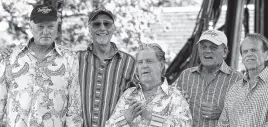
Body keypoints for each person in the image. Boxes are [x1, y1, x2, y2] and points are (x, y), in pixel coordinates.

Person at [0, 8, 136, 127]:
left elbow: (142, 97)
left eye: (107, 24)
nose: (102, 28)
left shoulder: (129, 63)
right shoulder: (76, 58)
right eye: (40, 26)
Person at [0, 5, 82, 127]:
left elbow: (74, 109)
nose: (45, 32)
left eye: (50, 26)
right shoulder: (11, 57)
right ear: (30, 27)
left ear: (57, 28)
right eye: (40, 26)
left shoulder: (70, 59)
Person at [105, 43, 192, 127]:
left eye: (149, 61)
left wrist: (150, 117)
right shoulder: (128, 94)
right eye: (140, 62)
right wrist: (126, 119)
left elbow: (185, 124)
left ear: (161, 65)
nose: (144, 66)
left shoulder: (175, 96)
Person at [175, 29, 243, 127]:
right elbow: (174, 112)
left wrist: (221, 113)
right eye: (203, 47)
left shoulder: (237, 79)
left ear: (224, 52)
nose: (207, 51)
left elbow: (246, 116)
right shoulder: (186, 76)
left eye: (213, 47)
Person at [218, 33, 268, 127]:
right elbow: (223, 124)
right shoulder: (234, 89)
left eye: (254, 50)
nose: (249, 54)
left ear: (266, 55)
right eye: (245, 51)